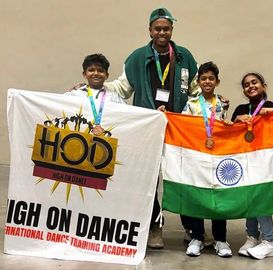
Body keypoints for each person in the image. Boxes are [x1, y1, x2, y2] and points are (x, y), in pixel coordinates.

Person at [103, 7, 200, 249]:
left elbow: (197, 90)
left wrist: (213, 103)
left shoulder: (184, 56)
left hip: (178, 128)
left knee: (182, 176)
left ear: (172, 30)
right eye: (157, 28)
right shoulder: (137, 57)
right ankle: (155, 226)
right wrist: (96, 86)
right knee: (149, 179)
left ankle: (191, 227)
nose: (162, 32)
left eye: (166, 29)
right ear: (149, 30)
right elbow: (122, 88)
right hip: (148, 129)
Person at [226, 72, 273, 260]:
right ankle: (252, 236)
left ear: (263, 86)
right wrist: (236, 121)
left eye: (254, 82)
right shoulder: (241, 108)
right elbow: (231, 133)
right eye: (246, 84)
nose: (251, 86)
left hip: (265, 162)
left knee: (260, 199)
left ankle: (269, 241)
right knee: (249, 198)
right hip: (245, 161)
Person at [182, 61, 231, 258]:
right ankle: (197, 238)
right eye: (204, 78)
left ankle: (220, 239)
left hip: (218, 156)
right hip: (197, 156)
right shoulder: (191, 103)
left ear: (217, 81)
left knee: (219, 197)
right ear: (198, 82)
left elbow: (222, 126)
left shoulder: (222, 103)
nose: (207, 81)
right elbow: (183, 125)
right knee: (197, 196)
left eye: (211, 78)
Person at [66, 54, 126, 134]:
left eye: (100, 71)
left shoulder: (114, 98)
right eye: (91, 70)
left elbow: (127, 117)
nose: (96, 73)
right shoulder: (75, 94)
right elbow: (55, 105)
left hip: (106, 140)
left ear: (106, 75)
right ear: (84, 74)